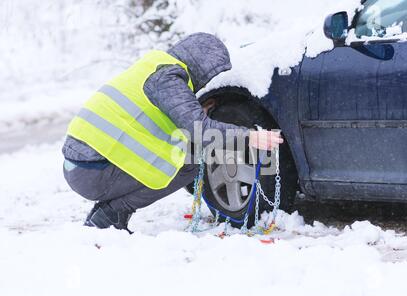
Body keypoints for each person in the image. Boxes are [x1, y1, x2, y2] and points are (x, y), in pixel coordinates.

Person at [61, 32, 283, 233]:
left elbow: (151, 118)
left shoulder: (155, 66)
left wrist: (193, 110)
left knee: (179, 153)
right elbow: (202, 131)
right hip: (91, 172)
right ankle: (112, 214)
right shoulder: (168, 80)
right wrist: (250, 137)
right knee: (189, 163)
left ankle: (107, 211)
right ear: (202, 67)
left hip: (82, 164)